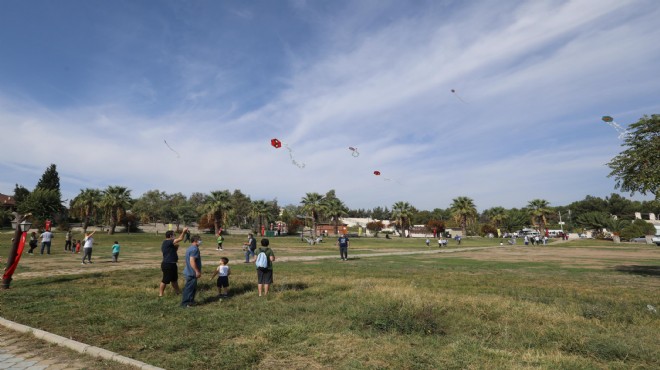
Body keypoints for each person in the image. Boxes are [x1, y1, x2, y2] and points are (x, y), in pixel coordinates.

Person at [159, 228, 188, 297]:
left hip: (172, 264)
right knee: (165, 280)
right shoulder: (168, 242)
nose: (175, 236)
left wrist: (176, 247)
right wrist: (183, 232)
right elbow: (180, 238)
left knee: (174, 280)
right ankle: (160, 294)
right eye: (174, 235)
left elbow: (172, 251)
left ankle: (178, 292)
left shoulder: (168, 243)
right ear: (170, 236)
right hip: (168, 264)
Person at [181, 235, 202, 307]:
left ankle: (191, 302)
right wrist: (197, 271)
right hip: (191, 272)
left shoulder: (190, 248)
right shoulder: (194, 249)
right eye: (199, 240)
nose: (200, 241)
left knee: (192, 288)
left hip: (189, 271)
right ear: (195, 241)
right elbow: (192, 261)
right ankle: (185, 303)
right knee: (189, 289)